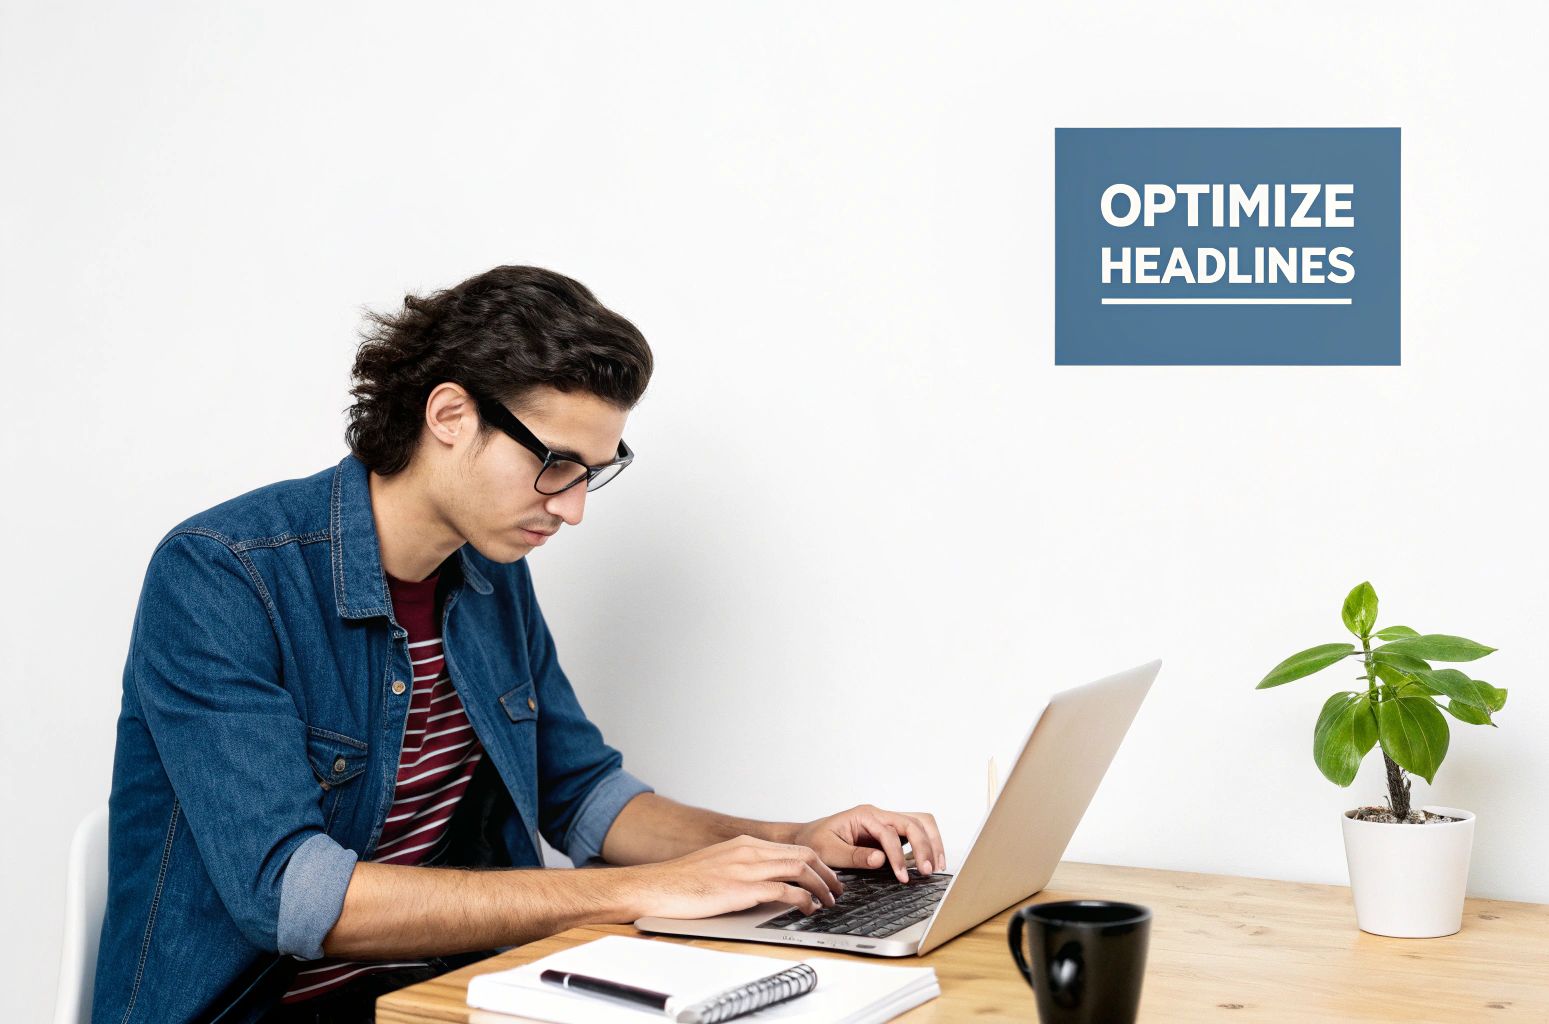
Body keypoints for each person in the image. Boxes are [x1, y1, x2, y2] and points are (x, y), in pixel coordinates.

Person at [93, 266, 946, 1023]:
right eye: (557, 465)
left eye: (592, 474)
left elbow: (581, 796)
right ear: (451, 415)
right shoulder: (221, 576)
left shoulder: (491, 574)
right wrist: (637, 893)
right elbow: (294, 896)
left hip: (449, 996)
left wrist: (794, 840)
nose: (572, 508)